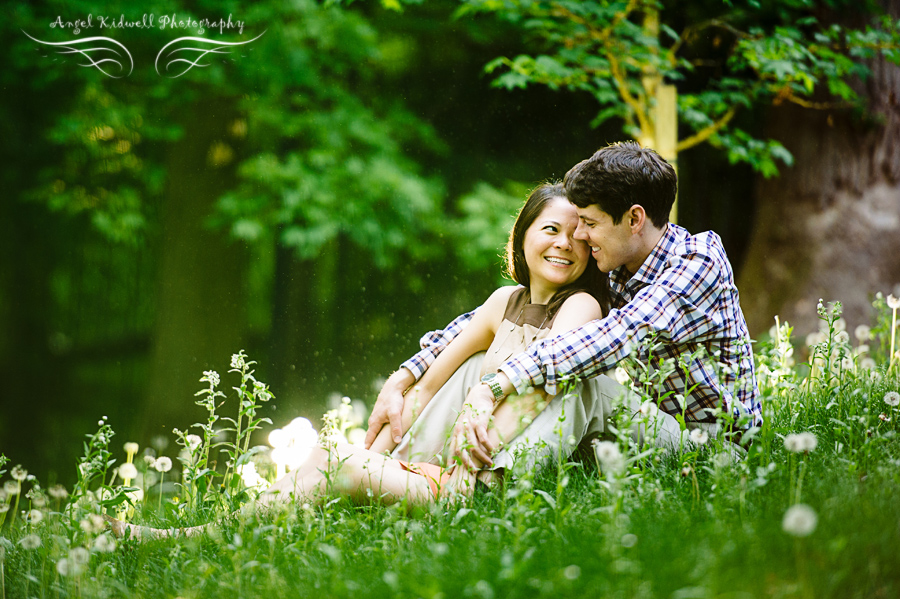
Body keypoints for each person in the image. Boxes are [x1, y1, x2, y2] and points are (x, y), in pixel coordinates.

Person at [106, 182, 616, 540]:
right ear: (523, 234)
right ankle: (201, 533)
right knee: (334, 461)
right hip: (446, 474)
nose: (563, 244)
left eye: (578, 235)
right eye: (550, 229)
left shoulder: (582, 307)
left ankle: (187, 538)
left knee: (340, 465)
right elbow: (425, 385)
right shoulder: (502, 304)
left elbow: (546, 377)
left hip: (483, 485)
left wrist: (447, 466)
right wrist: (385, 446)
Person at [366, 141, 760, 467]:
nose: (581, 237)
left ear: (634, 218)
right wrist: (404, 376)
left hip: (715, 449)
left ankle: (479, 485)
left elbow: (613, 338)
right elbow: (488, 319)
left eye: (589, 223)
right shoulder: (618, 264)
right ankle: (406, 462)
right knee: (476, 361)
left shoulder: (696, 263)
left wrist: (494, 387)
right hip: (646, 431)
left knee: (584, 382)